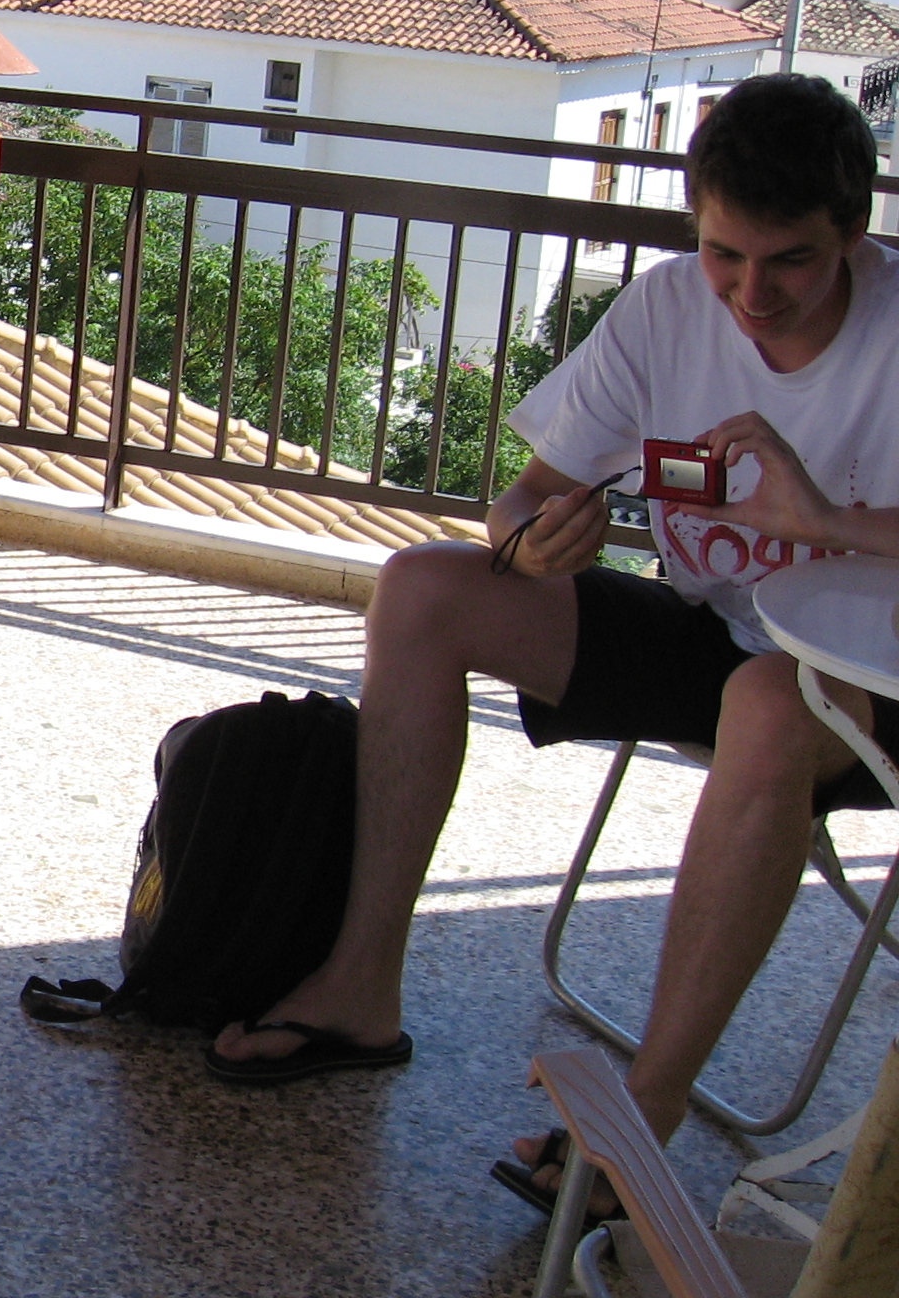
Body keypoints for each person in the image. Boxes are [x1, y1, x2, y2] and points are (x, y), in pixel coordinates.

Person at [206, 74, 899, 1213]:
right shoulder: (668, 309)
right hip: (722, 632)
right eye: (724, 254)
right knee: (424, 589)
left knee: (772, 703)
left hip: (872, 677)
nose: (750, 294)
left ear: (852, 235)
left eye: (789, 262)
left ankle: (643, 1114)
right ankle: (358, 990)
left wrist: (824, 522)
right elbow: (523, 495)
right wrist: (529, 543)